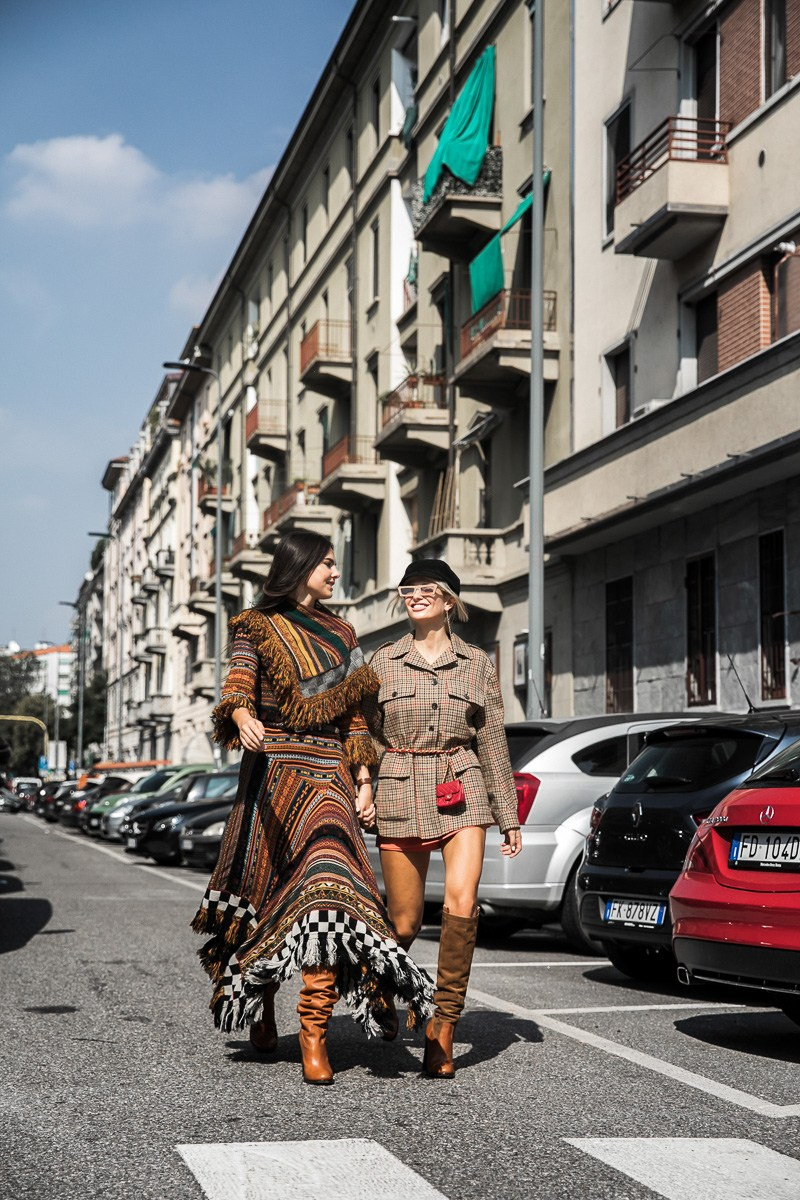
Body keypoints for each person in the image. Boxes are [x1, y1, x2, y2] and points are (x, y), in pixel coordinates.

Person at [191, 531, 433, 1085]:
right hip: (273, 775)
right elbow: (237, 686)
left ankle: (314, 1030)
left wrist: (365, 776)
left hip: (330, 776)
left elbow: (353, 717)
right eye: (326, 563)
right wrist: (241, 716)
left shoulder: (343, 632)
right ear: (299, 567)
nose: (333, 572)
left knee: (329, 894)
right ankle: (262, 1004)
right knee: (267, 897)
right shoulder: (257, 625)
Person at [364, 559, 522, 1079]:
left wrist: (508, 816)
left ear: (450, 599)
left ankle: (443, 1026)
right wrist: (361, 784)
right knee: (405, 921)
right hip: (399, 785)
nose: (414, 597)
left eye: (426, 590)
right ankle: (380, 986)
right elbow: (362, 735)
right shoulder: (382, 661)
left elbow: (493, 738)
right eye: (407, 590)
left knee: (462, 904)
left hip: (463, 782)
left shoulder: (477, 663)